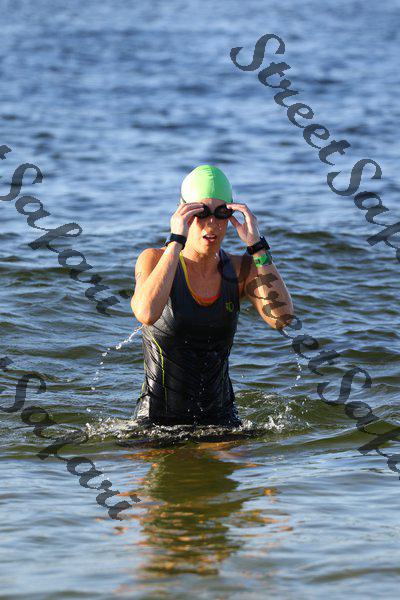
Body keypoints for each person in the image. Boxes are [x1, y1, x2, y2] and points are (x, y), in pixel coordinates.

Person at [130, 165, 293, 427]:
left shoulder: (240, 269)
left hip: (222, 421)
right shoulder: (154, 260)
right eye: (200, 213)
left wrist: (257, 246)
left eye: (222, 214)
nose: (212, 224)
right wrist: (176, 240)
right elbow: (146, 313)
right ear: (183, 213)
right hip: (157, 424)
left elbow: (281, 318)